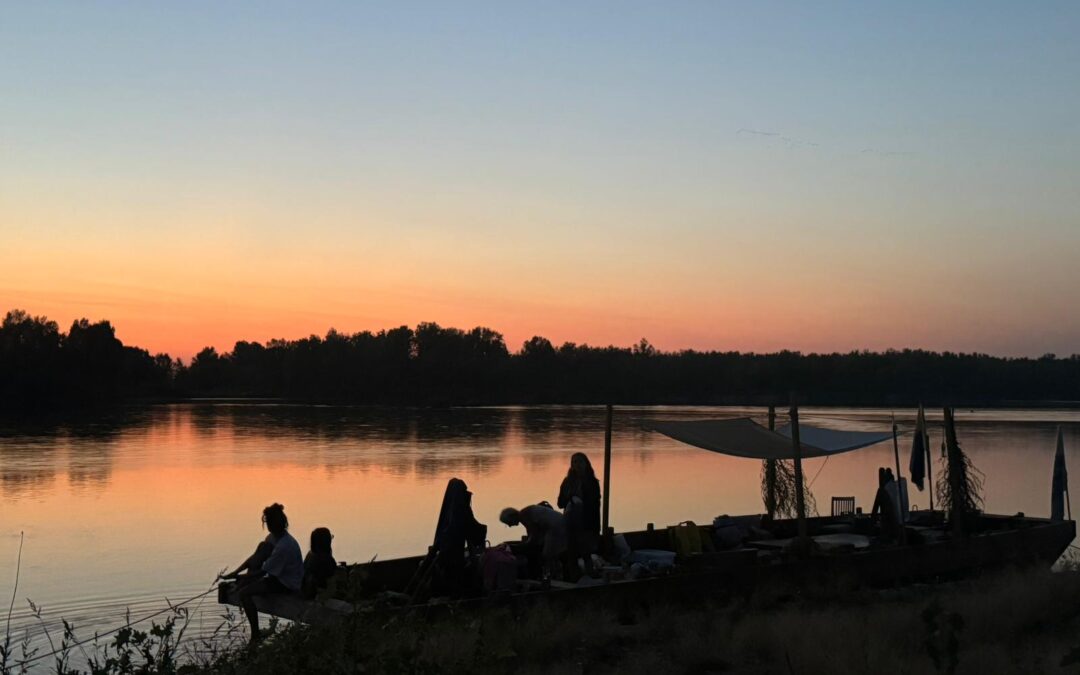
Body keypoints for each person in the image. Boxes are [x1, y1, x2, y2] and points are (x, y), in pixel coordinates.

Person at [221, 503, 303, 642]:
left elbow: (262, 573)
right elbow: (256, 557)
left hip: (286, 584)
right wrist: (236, 572)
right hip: (275, 577)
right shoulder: (273, 538)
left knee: (244, 594)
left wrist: (242, 578)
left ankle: (255, 634)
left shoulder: (285, 546)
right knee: (263, 546)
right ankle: (245, 583)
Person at [557, 452, 601, 576]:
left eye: (580, 461)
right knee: (571, 552)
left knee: (586, 551)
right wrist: (570, 498)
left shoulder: (592, 482)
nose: (577, 464)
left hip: (587, 522)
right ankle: (573, 577)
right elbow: (560, 503)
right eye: (574, 462)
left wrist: (581, 500)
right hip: (570, 522)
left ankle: (590, 575)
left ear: (586, 464)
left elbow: (594, 503)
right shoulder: (567, 482)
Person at [500, 503, 568, 580]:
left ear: (512, 516)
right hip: (558, 524)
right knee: (550, 553)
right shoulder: (525, 513)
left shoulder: (525, 516)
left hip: (555, 527)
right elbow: (534, 533)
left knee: (547, 555)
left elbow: (534, 535)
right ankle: (554, 574)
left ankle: (551, 576)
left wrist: (524, 545)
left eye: (508, 523)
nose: (510, 526)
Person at [301, 527, 337, 599]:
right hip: (319, 597)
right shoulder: (327, 560)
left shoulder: (310, 555)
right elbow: (331, 588)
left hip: (306, 593)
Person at [871, 468, 902, 543]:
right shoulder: (896, 487)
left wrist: (872, 521)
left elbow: (874, 511)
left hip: (889, 528)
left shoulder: (882, 491)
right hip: (898, 525)